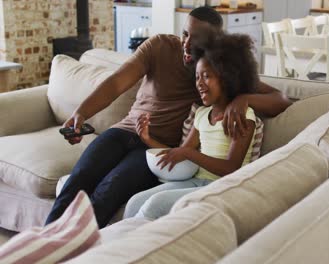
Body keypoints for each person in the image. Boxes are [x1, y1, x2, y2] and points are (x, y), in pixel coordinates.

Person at [45, 7, 291, 228]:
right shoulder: (160, 46)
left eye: (196, 40)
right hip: (124, 131)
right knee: (78, 179)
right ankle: (42, 245)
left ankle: (73, 251)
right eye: (185, 34)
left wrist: (243, 99)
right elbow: (116, 82)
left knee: (110, 188)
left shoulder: (217, 70)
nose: (186, 44)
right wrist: (81, 114)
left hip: (153, 149)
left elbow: (280, 100)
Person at [124, 32, 259, 220]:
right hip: (194, 181)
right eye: (197, 77)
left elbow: (231, 168)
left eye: (207, 76)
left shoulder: (242, 116)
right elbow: (179, 153)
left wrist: (189, 154)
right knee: (135, 202)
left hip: (222, 187)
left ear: (227, 77)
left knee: (155, 205)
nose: (200, 84)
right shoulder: (202, 115)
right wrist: (147, 138)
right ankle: (119, 246)